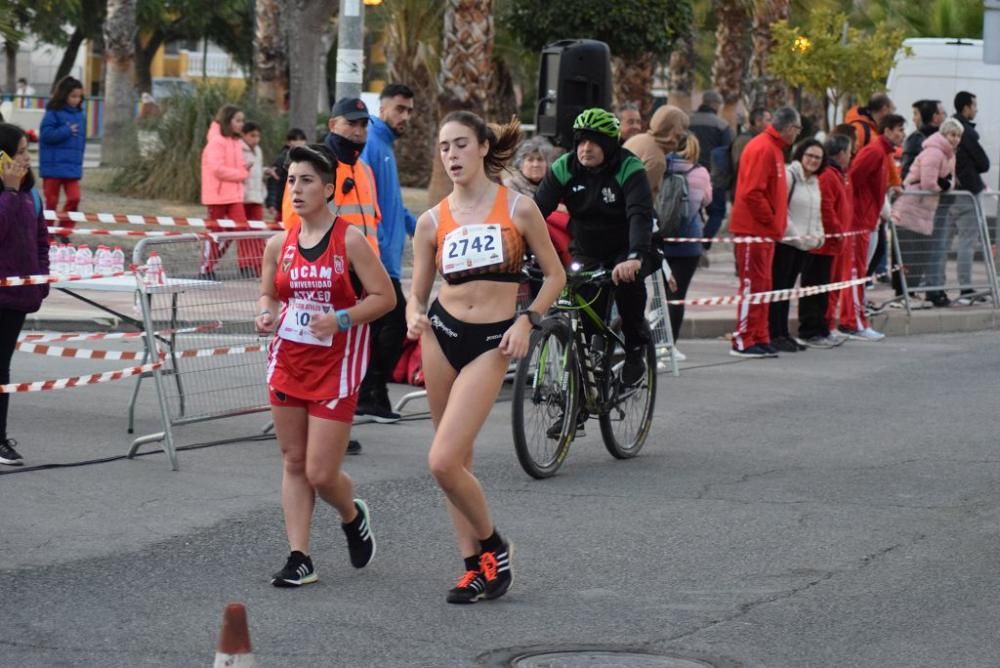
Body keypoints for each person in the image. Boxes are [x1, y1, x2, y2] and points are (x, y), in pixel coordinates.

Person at [406, 112, 564, 603]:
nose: (451, 156)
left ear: (481, 148)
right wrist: (414, 314)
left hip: (493, 341)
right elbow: (417, 292)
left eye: (459, 145)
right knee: (458, 462)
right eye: (443, 147)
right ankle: (475, 567)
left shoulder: (518, 209)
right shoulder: (431, 221)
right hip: (441, 336)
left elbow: (556, 277)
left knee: (442, 460)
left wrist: (528, 320)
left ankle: (495, 545)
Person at [255, 143, 395, 587]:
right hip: (288, 361)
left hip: (338, 364)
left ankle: (353, 515)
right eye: (291, 180)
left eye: (306, 181)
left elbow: (385, 298)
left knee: (320, 472)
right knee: (294, 461)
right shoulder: (279, 243)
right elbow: (269, 294)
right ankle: (300, 557)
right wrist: (265, 313)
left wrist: (341, 318)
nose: (295, 189)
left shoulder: (350, 239)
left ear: (328, 188)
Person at [281, 98, 383, 455]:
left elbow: (372, 221)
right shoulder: (319, 170)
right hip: (325, 274)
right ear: (333, 123)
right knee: (320, 351)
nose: (358, 131)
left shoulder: (364, 170)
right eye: (351, 124)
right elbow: (295, 223)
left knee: (350, 353)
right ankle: (317, 422)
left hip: (363, 277)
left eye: (363, 125)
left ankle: (337, 421)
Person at [535, 107, 657, 385]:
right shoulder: (564, 167)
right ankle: (582, 396)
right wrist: (515, 247)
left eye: (594, 142)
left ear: (609, 145)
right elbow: (535, 211)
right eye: (581, 141)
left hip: (630, 246)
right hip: (589, 248)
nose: (585, 149)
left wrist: (635, 256)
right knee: (587, 321)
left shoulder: (629, 167)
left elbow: (639, 214)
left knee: (628, 290)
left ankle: (636, 349)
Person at [356, 84, 417, 422]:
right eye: (399, 109)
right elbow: (368, 205)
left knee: (383, 326)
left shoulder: (384, 147)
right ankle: (369, 392)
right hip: (376, 257)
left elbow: (394, 203)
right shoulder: (373, 145)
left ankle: (373, 396)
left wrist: (419, 227)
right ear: (382, 109)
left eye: (409, 110)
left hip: (386, 256)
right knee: (395, 320)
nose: (405, 116)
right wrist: (372, 251)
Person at [728, 106, 801, 358]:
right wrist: (771, 222)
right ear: (790, 128)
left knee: (763, 285)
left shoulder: (774, 149)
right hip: (754, 230)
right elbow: (752, 193)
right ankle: (743, 339)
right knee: (752, 285)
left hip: (765, 232)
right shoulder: (764, 148)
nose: (797, 134)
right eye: (797, 129)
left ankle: (759, 335)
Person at [0, 123, 49, 466]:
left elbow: (40, 240)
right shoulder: (13, 193)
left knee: (1, 369)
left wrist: (41, 281)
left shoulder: (31, 193)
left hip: (17, 296)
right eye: (19, 151)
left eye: (27, 151)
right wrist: (9, 192)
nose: (26, 158)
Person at [841, 113, 906, 340]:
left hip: (867, 221)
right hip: (859, 223)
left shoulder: (882, 153)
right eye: (898, 129)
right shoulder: (874, 152)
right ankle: (853, 322)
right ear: (886, 130)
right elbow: (853, 181)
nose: (902, 134)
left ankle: (855, 319)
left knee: (860, 273)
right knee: (856, 273)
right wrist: (860, 212)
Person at [890, 118, 963, 304]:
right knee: (908, 253)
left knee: (920, 254)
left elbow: (950, 182)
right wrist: (944, 184)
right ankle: (902, 294)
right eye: (952, 135)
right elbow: (929, 183)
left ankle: (911, 293)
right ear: (944, 134)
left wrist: (945, 184)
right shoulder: (934, 152)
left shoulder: (950, 155)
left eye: (958, 136)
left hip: (925, 210)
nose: (955, 139)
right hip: (912, 207)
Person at [769, 139, 825, 352]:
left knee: (787, 291)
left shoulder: (814, 182)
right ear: (800, 155)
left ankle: (783, 332)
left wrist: (819, 235)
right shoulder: (789, 176)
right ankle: (774, 333)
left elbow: (816, 212)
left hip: (803, 245)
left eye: (817, 158)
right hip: (786, 243)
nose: (812, 160)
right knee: (778, 289)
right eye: (809, 155)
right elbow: (783, 210)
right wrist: (797, 237)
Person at [660, 133, 711, 358]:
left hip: (660, 240)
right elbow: (707, 200)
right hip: (688, 243)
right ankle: (671, 346)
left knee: (658, 296)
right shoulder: (700, 173)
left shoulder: (661, 167)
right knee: (677, 296)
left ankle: (655, 342)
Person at [800, 134, 852, 348]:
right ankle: (812, 330)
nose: (851, 156)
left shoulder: (836, 174)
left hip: (830, 244)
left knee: (824, 289)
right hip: (821, 244)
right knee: (816, 288)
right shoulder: (829, 176)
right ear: (840, 154)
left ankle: (822, 327)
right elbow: (827, 207)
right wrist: (837, 231)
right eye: (849, 151)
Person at [199, 104, 249, 278]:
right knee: (215, 234)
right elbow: (217, 169)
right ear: (228, 121)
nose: (241, 124)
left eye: (242, 120)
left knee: (240, 229)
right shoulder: (217, 141)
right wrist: (241, 174)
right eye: (238, 120)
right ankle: (206, 268)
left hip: (235, 196)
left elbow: (239, 165)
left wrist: (243, 171)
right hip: (217, 197)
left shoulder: (236, 142)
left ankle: (244, 265)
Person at [951, 91, 991, 304]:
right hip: (967, 194)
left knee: (944, 242)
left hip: (954, 193)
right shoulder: (966, 131)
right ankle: (966, 289)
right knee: (967, 241)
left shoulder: (951, 129)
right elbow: (983, 163)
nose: (976, 109)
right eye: (974, 105)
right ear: (965, 107)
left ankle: (938, 288)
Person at [689, 90, 733, 243]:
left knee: (692, 212)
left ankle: (691, 241)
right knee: (716, 213)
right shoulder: (721, 125)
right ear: (715, 104)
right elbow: (728, 151)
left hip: (688, 173)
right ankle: (703, 243)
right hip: (713, 177)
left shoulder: (688, 120)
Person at [39, 76, 86, 213]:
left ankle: (65, 230)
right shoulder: (52, 113)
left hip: (72, 167)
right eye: (73, 96)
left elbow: (81, 144)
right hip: (52, 167)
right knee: (51, 202)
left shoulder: (80, 115)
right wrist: (66, 130)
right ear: (64, 95)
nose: (77, 100)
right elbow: (46, 135)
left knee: (74, 198)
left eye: (79, 97)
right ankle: (47, 232)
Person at [239, 121, 267, 273]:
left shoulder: (258, 150)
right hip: (243, 197)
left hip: (256, 196)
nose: (255, 139)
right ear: (243, 135)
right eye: (252, 135)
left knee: (258, 232)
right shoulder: (238, 149)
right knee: (244, 234)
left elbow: (257, 171)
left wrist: (265, 171)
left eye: (257, 136)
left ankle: (258, 264)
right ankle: (245, 264)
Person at [265, 128, 308, 221]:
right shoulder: (281, 159)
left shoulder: (307, 160)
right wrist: (271, 203)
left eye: (302, 139)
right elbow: (273, 182)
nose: (299, 142)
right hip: (282, 203)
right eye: (295, 140)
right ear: (288, 142)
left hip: (299, 203)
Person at [729, 107, 771, 193]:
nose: (771, 124)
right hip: (744, 191)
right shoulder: (744, 140)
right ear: (758, 121)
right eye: (768, 120)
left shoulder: (761, 139)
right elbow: (739, 167)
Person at [900, 99, 944, 179]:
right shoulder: (915, 139)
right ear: (935, 116)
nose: (913, 119)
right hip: (921, 190)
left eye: (915, 114)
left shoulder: (943, 138)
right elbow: (906, 171)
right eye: (943, 114)